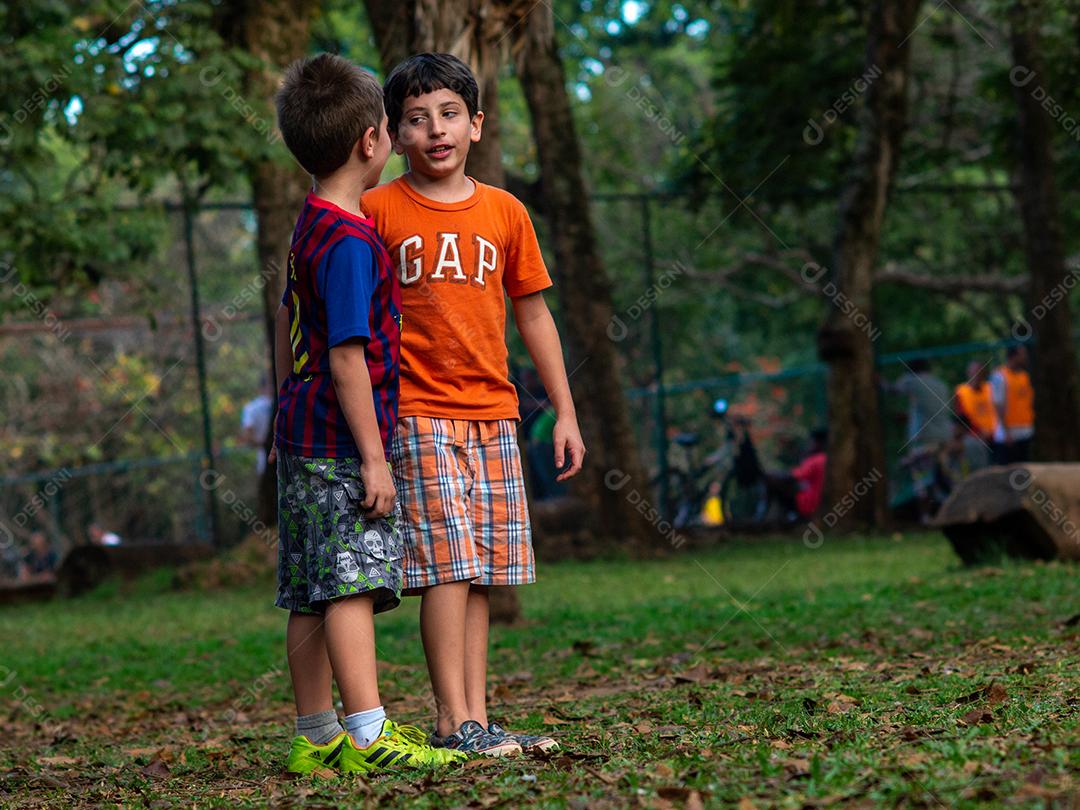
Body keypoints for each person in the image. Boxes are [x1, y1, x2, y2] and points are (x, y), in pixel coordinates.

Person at [363, 53, 585, 757]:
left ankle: (475, 720)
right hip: (416, 413)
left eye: (450, 114)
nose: (436, 130)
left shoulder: (506, 212)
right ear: (394, 135)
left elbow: (535, 316)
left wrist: (566, 410)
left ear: (477, 125)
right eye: (417, 119)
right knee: (446, 568)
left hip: (496, 415)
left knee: (482, 568)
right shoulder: (375, 212)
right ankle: (451, 718)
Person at [269, 52, 459, 775]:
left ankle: (315, 738)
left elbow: (290, 328)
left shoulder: (311, 224)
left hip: (302, 433)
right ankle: (369, 735)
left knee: (313, 587)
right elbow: (348, 359)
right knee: (349, 582)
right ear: (371, 142)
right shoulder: (351, 243)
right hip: (340, 443)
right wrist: (375, 457)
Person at [884, 359, 953, 522]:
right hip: (944, 438)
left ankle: (926, 518)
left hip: (924, 441)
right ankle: (951, 512)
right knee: (944, 479)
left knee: (922, 481)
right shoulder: (940, 384)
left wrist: (879, 382)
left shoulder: (912, 380)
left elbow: (892, 390)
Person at [990, 344, 1034, 464]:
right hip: (1008, 435)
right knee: (1007, 472)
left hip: (1025, 431)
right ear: (1013, 356)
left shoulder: (1024, 376)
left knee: (1023, 470)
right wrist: (1006, 432)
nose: (1025, 357)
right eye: (1022, 354)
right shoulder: (999, 376)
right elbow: (998, 405)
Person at [239, 377, 274, 475]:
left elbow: (247, 435)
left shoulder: (250, 408)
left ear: (260, 388)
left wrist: (265, 443)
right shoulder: (282, 404)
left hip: (262, 455)